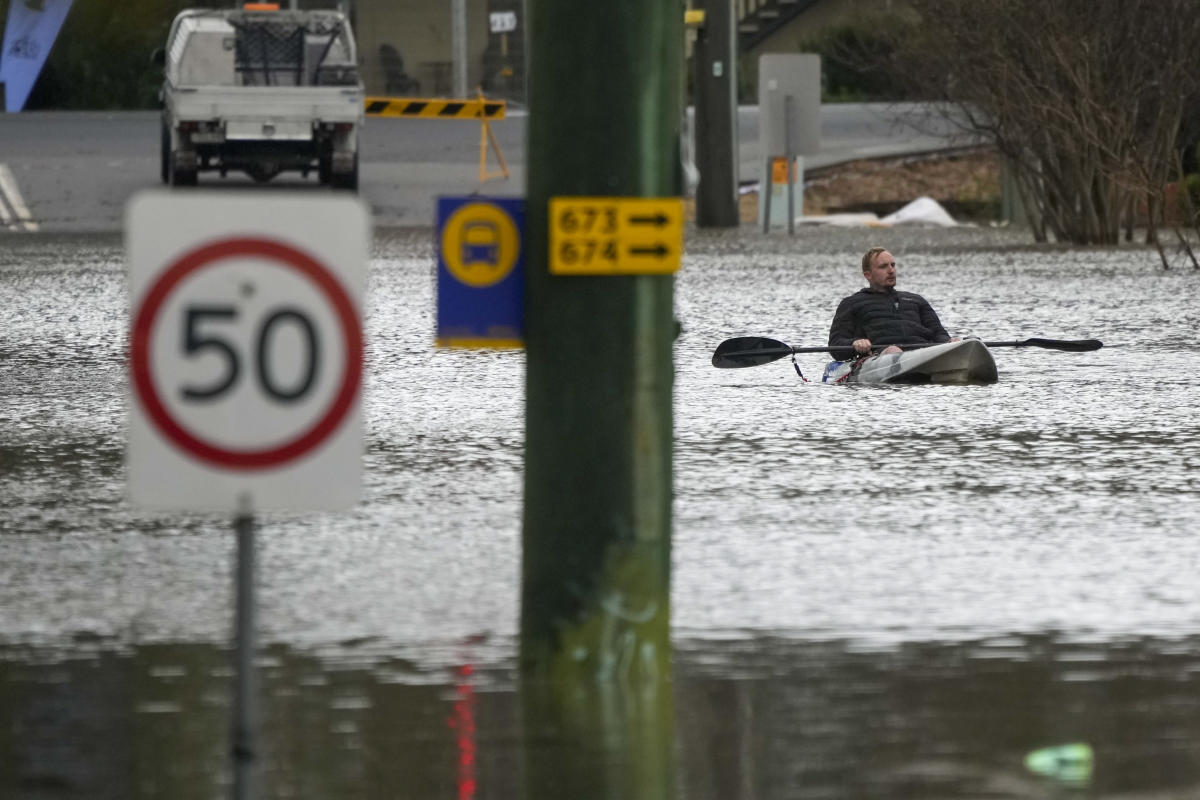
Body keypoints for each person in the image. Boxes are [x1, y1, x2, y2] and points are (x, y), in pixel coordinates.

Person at [828, 247, 955, 356]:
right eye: (883, 267)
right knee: (893, 350)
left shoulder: (916, 300)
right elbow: (835, 344)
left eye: (893, 265)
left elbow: (939, 333)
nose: (891, 271)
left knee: (962, 342)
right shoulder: (851, 303)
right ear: (868, 275)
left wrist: (950, 342)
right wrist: (854, 343)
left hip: (924, 352)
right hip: (881, 355)